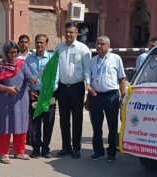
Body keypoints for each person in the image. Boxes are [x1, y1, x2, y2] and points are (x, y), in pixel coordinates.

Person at [0, 41, 37, 164]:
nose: (13, 55)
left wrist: (33, 79)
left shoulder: (22, 64)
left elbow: (29, 76)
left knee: (20, 125)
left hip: (20, 101)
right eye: (11, 52)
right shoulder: (0, 66)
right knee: (5, 126)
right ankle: (4, 153)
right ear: (6, 52)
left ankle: (19, 151)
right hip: (4, 101)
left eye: (15, 52)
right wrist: (7, 89)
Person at [87, 36, 126, 163]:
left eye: (102, 44)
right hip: (96, 96)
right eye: (98, 44)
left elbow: (121, 79)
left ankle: (111, 153)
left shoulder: (116, 59)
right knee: (96, 126)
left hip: (111, 96)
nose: (99, 46)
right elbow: (89, 80)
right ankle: (98, 151)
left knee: (112, 126)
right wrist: (88, 98)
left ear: (108, 46)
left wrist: (123, 96)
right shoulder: (92, 61)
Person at [55, 22, 91, 159]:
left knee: (77, 119)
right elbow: (56, 69)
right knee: (64, 120)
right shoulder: (59, 48)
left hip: (77, 88)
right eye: (67, 32)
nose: (69, 34)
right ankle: (66, 147)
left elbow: (87, 69)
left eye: (71, 32)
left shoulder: (83, 48)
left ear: (76, 33)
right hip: (62, 88)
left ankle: (76, 148)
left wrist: (88, 86)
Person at [26, 34, 59, 158]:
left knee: (48, 122)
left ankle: (45, 149)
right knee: (35, 123)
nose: (39, 44)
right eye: (37, 42)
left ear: (46, 44)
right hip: (35, 95)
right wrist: (30, 90)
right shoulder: (29, 60)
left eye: (42, 42)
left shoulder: (52, 59)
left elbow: (56, 76)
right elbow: (26, 77)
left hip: (49, 95)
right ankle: (35, 148)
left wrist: (50, 91)